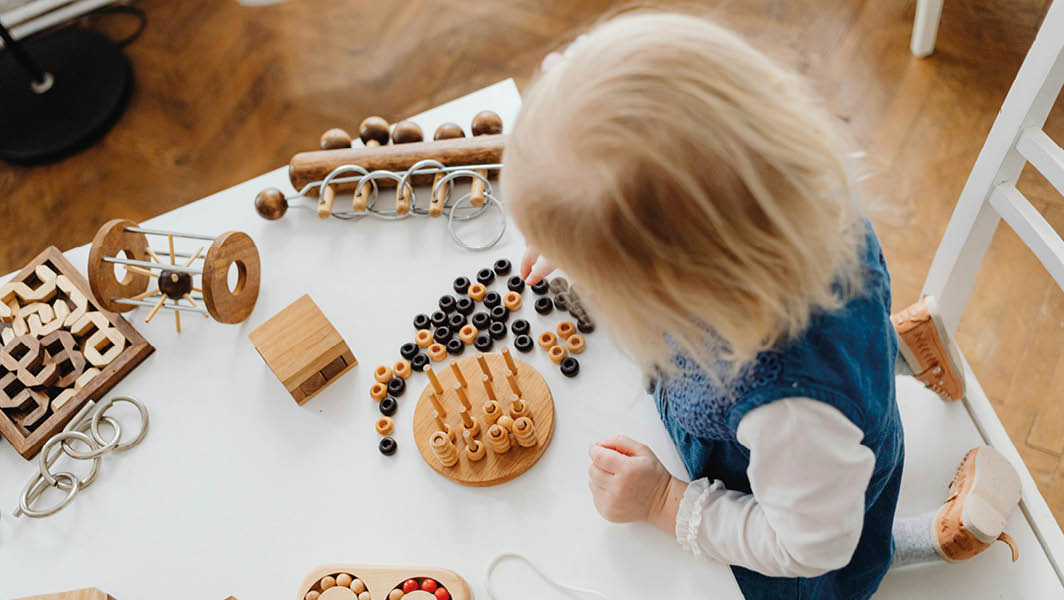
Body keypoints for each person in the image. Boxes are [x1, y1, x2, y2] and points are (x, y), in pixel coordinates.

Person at [501, 12, 1021, 599]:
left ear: (672, 286)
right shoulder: (789, 200)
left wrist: (664, 501)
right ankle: (901, 351)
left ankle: (924, 540)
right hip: (822, 427)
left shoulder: (788, 410)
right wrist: (585, 231)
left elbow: (812, 545)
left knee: (847, 561)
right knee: (843, 392)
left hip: (804, 525)